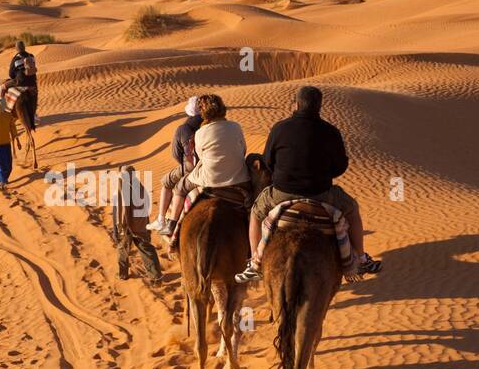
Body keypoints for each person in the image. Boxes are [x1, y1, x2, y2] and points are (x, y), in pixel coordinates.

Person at [238, 85, 381, 280]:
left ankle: (255, 263)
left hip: (282, 192)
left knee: (256, 213)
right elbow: (340, 167)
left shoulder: (280, 128)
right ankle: (362, 259)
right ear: (319, 106)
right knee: (352, 210)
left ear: (296, 104)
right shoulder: (330, 132)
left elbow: (268, 161)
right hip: (321, 193)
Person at [156, 95, 248, 237]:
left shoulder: (199, 133)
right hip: (239, 176)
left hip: (210, 177)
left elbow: (200, 157)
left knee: (180, 188)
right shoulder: (236, 127)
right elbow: (243, 150)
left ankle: (171, 224)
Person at [147, 96, 201, 233]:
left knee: (166, 182)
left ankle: (162, 220)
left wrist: (184, 165)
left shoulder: (183, 128)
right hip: (214, 165)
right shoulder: (208, 125)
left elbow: (176, 154)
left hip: (191, 166)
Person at [112, 167, 161, 283]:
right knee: (146, 249)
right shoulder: (140, 188)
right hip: (140, 225)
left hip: (126, 227)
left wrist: (116, 229)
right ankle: (156, 276)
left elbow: (119, 212)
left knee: (122, 249)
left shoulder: (121, 190)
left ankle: (122, 274)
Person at [8, 39, 38, 128]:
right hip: (33, 83)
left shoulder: (15, 59)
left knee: (2, 87)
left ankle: (6, 111)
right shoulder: (31, 56)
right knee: (34, 96)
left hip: (20, 83)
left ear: (16, 49)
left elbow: (10, 74)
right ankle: (33, 113)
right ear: (24, 47)